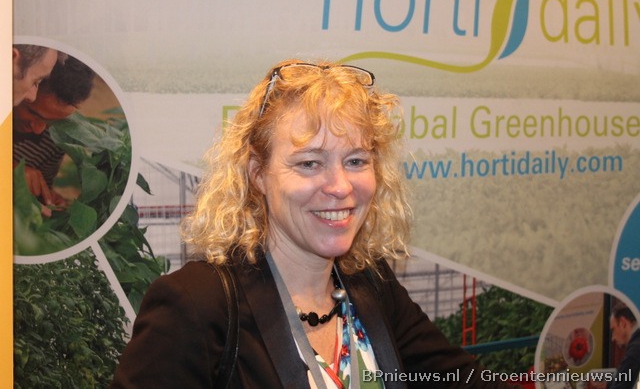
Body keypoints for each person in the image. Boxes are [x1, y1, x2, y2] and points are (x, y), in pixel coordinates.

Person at [111, 59, 516, 388]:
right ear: (258, 174)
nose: (340, 187)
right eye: (309, 163)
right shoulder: (195, 306)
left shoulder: (371, 285)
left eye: (355, 160)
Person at [13, 55, 95, 216]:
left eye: (52, 122)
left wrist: (47, 198)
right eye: (33, 113)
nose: (39, 130)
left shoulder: (54, 142)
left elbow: (32, 190)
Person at [608, 304, 640, 389]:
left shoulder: (634, 352)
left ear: (623, 323)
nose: (613, 338)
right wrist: (607, 385)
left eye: (613, 330)